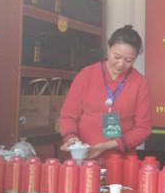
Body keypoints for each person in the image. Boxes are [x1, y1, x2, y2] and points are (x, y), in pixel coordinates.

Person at [58, 25, 151, 160]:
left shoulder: (139, 83)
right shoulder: (86, 75)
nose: (121, 64)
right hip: (85, 156)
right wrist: (71, 138)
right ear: (108, 49)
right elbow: (68, 116)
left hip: (121, 160)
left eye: (129, 60)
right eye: (117, 57)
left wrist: (108, 146)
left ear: (136, 58)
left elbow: (143, 129)